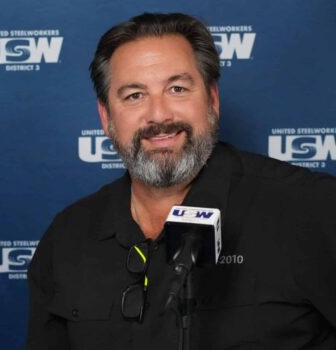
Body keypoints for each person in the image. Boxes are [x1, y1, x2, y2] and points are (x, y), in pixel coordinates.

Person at [26, 12, 336, 349]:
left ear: (212, 99)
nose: (159, 115)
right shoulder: (68, 236)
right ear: (106, 117)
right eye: (134, 95)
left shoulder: (310, 208)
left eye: (177, 88)